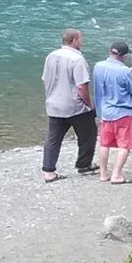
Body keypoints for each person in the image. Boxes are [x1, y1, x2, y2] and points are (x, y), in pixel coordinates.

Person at [41, 28, 97, 182]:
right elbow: (81, 86)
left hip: (54, 104)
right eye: (80, 39)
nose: (82, 42)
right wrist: (89, 104)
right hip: (75, 106)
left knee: (53, 138)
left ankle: (49, 171)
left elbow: (46, 80)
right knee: (88, 134)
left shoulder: (51, 56)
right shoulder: (77, 60)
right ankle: (84, 165)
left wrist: (50, 96)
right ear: (74, 40)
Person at [92, 41, 132, 184]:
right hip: (124, 113)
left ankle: (103, 174)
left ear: (110, 52)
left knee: (104, 143)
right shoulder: (125, 71)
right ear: (124, 56)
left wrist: (99, 112)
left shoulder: (98, 67)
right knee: (125, 144)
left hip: (106, 112)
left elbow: (97, 91)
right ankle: (116, 175)